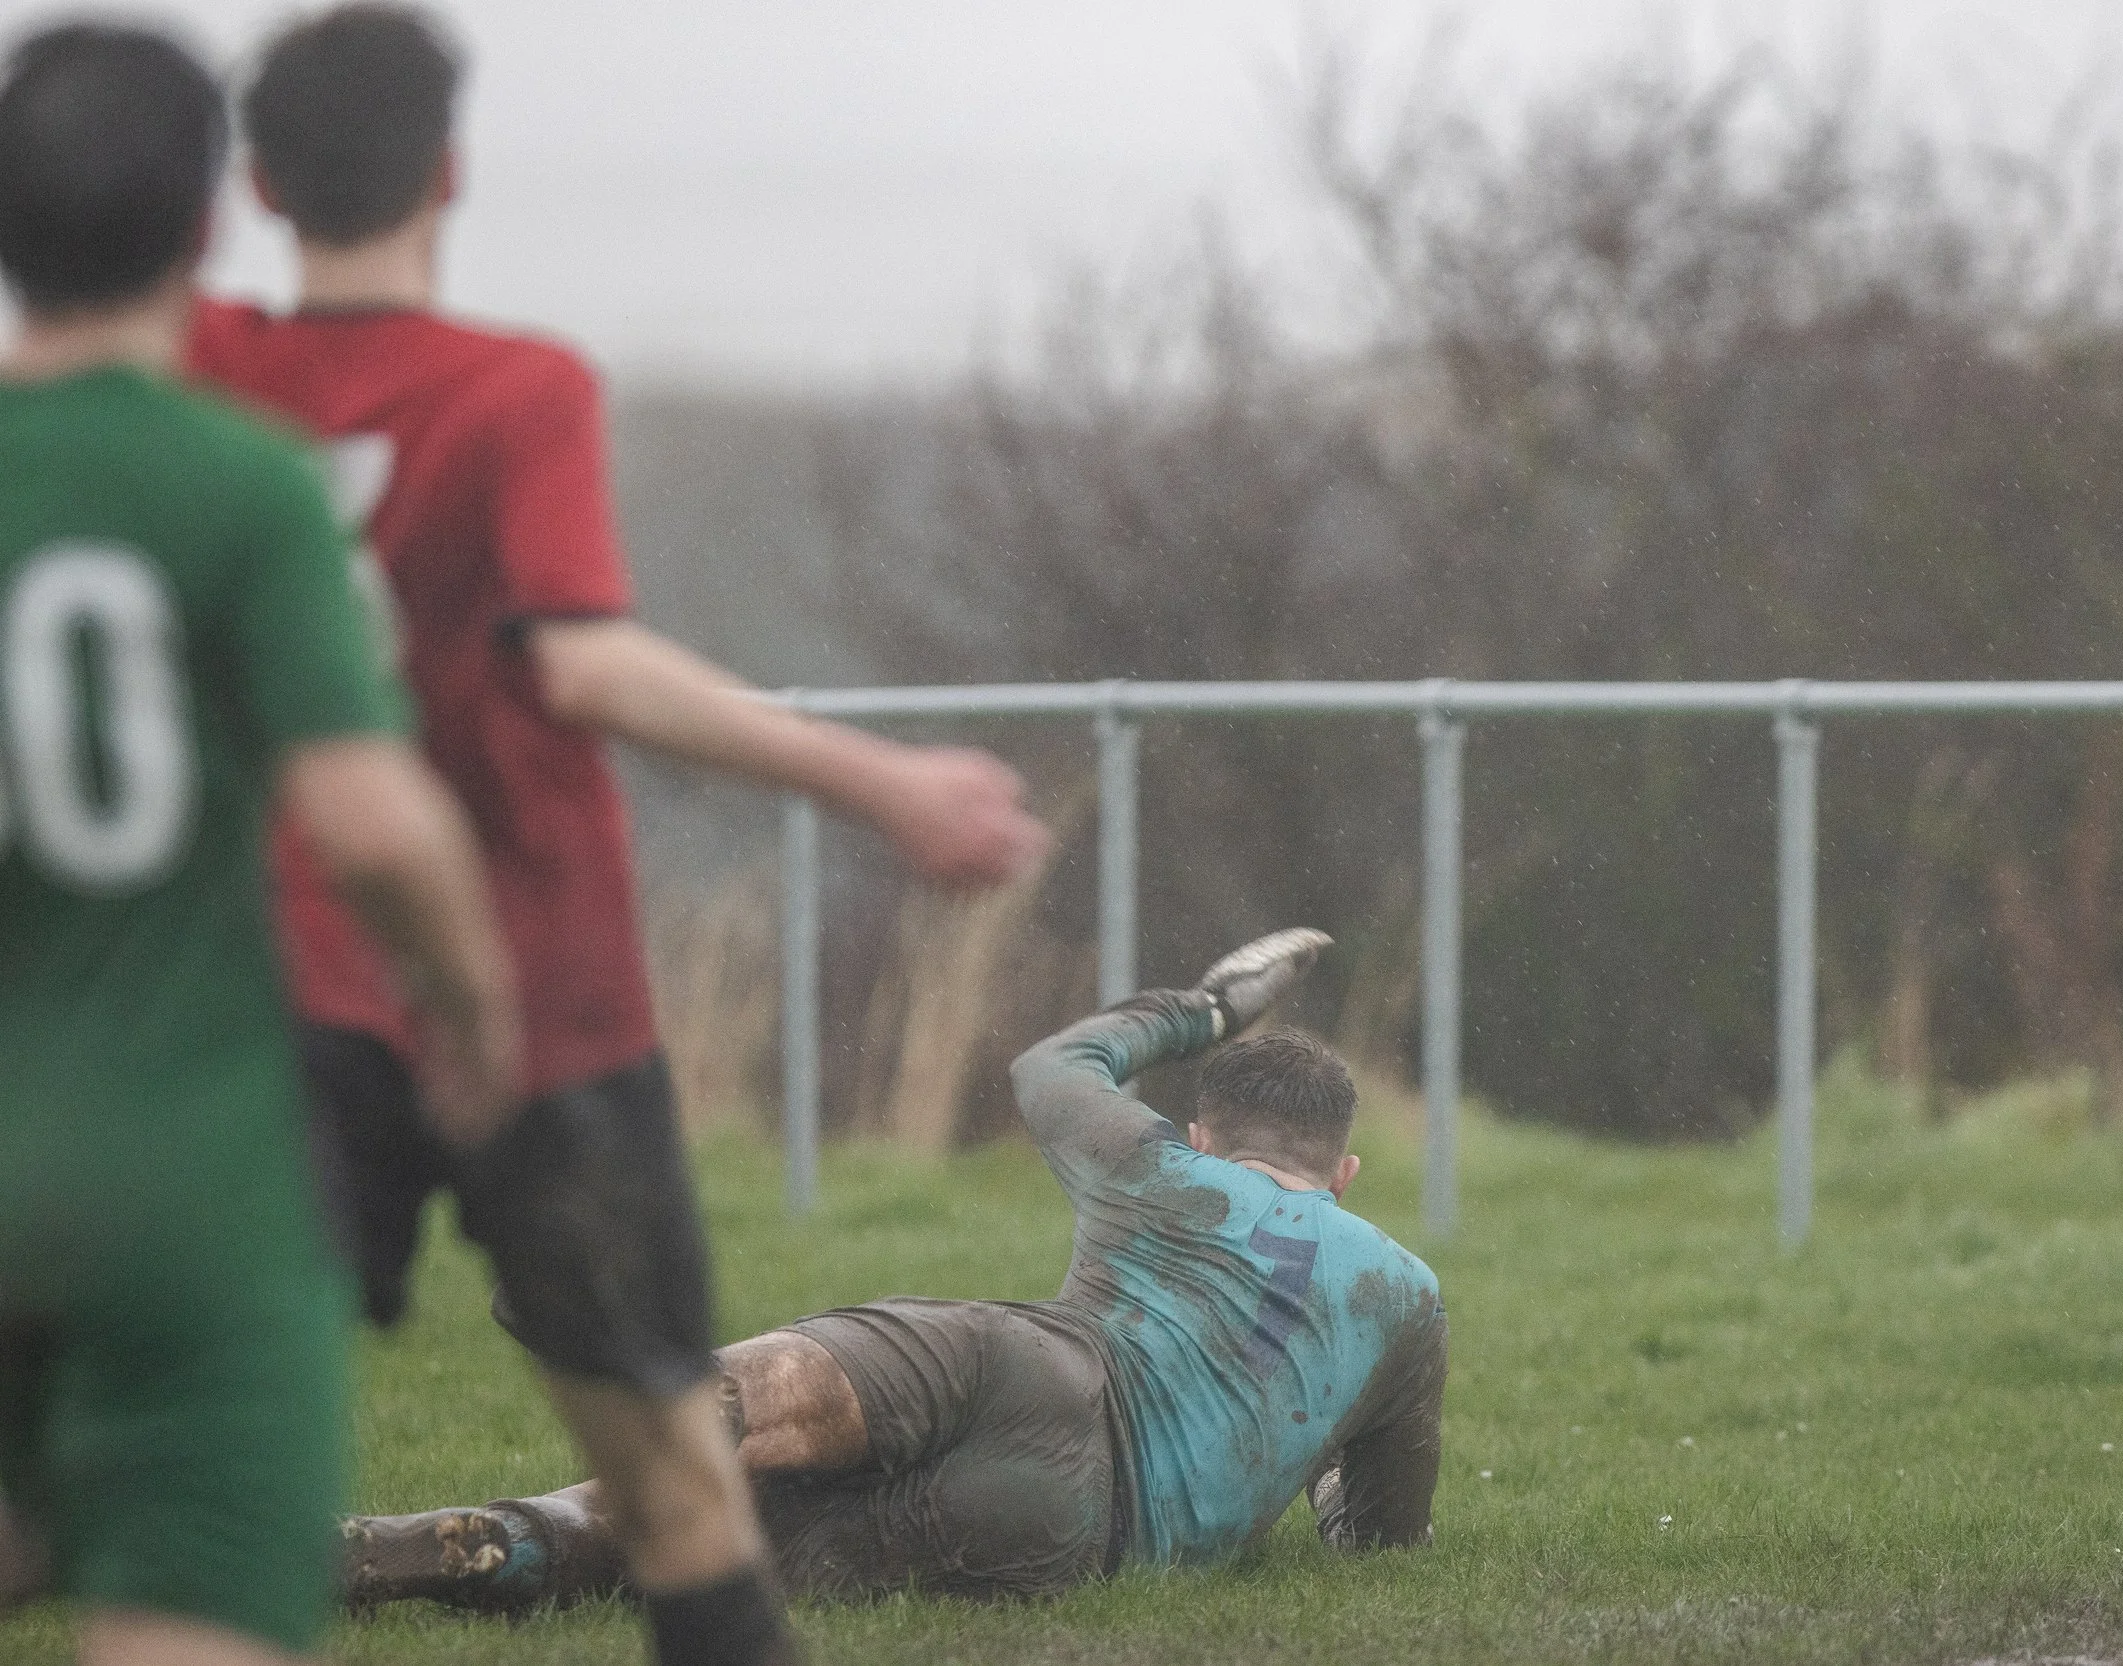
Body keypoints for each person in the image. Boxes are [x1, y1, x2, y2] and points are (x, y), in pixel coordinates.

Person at [186, 8, 1050, 1664]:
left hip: (297, 993)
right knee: (672, 1490)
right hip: (544, 1004)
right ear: (450, 169)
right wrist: (881, 783)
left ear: (264, 187)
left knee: (202, 1470)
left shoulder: (207, 376)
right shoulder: (517, 392)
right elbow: (579, 655)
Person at [0, 20, 522, 1666]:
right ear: (213, 223)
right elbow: (371, 818)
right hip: (183, 1183)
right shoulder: (241, 488)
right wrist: (471, 1002)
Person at [340, 929, 1446, 1614]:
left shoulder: (1157, 1165)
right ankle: (508, 1551)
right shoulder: (1405, 1296)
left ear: (1205, 1138)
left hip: (1042, 1369)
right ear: (1343, 1170)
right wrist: (1322, 1454)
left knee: (778, 1397)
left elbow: (1051, 1063)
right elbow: (1385, 1536)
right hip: (1073, 1540)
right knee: (714, 1541)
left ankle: (607, 1385)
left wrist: (1203, 1009)